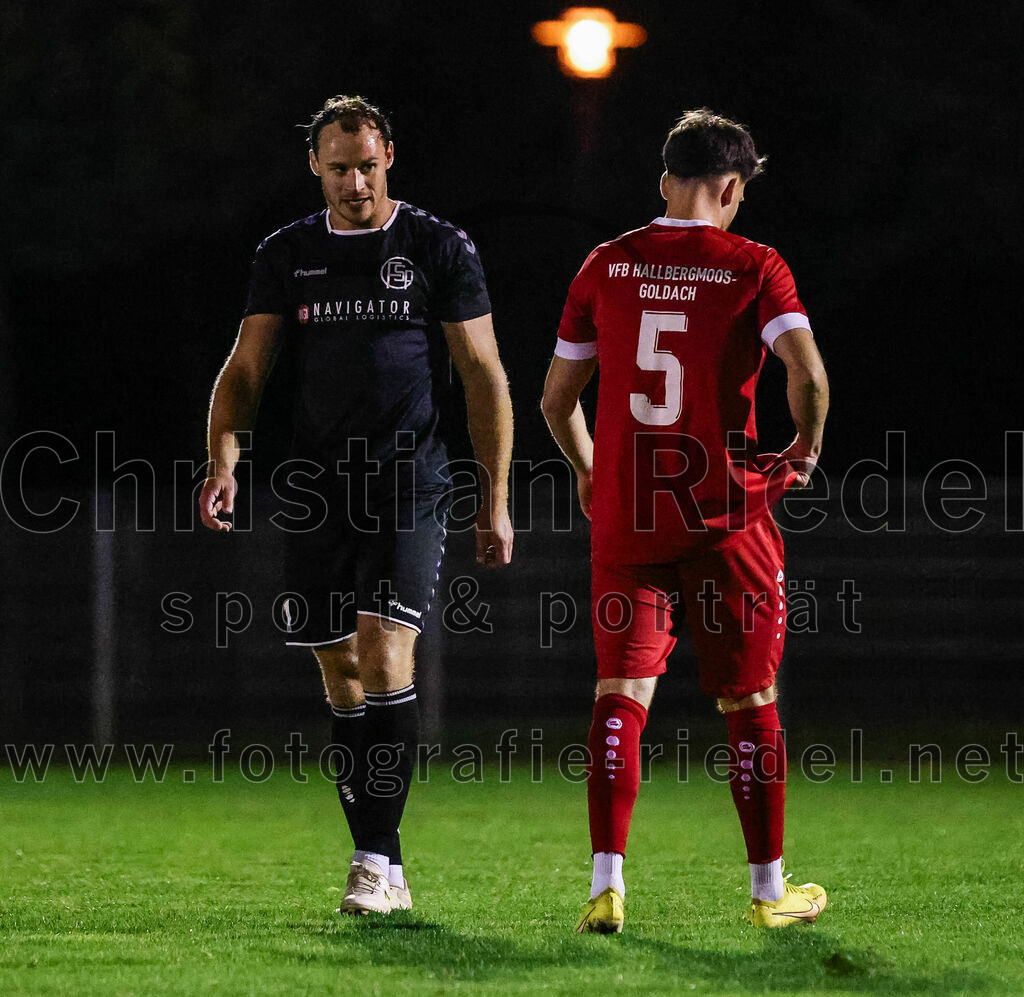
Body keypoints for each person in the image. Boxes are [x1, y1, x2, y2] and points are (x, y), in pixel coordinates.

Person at [199, 95, 514, 916]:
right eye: (338, 168)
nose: (354, 182)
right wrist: (223, 457)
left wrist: (495, 494)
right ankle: (388, 858)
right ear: (316, 167)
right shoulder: (287, 253)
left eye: (366, 165)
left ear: (390, 157)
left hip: (410, 479)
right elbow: (245, 369)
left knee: (383, 650)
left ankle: (369, 858)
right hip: (314, 488)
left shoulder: (437, 247)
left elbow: (482, 373)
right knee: (339, 670)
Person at [541, 109, 829, 933]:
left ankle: (606, 883)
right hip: (722, 516)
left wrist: (593, 470)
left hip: (631, 521)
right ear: (733, 188)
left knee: (620, 694)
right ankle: (769, 892)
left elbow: (557, 402)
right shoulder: (753, 265)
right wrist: (804, 448)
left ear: (666, 182)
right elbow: (807, 374)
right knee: (749, 698)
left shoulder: (606, 264)